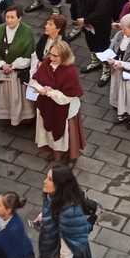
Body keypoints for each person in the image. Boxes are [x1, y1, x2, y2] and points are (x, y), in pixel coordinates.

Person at [29, 24, 85, 164]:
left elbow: (68, 96)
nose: (51, 58)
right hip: (46, 105)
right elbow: (35, 79)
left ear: (64, 56)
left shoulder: (70, 72)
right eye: (51, 54)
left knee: (64, 133)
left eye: (55, 56)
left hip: (63, 108)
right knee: (47, 131)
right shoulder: (46, 63)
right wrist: (40, 89)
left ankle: (64, 154)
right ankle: (52, 151)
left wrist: (50, 92)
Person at [37, 167, 100, 258]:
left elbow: (69, 242)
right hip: (53, 246)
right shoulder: (52, 194)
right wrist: (43, 216)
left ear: (60, 185)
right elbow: (52, 209)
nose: (45, 181)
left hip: (65, 254)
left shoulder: (70, 210)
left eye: (50, 179)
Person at [0, 6, 36, 126]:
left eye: (12, 17)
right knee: (5, 96)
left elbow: (29, 53)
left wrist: (13, 66)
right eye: (7, 17)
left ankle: (22, 116)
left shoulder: (27, 31)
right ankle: (7, 114)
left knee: (18, 97)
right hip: (4, 71)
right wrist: (3, 64)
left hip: (18, 74)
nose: (9, 20)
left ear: (19, 18)